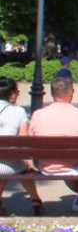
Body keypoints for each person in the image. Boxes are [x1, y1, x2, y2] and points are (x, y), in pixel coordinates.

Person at [29, 76, 78, 212]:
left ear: (52, 93)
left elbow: (31, 141)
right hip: (75, 165)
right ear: (71, 92)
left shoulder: (38, 115)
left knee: (76, 163)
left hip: (46, 165)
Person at [0, 77, 45, 215]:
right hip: (9, 165)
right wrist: (29, 162)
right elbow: (24, 142)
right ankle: (36, 199)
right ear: (12, 94)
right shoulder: (18, 111)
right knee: (19, 165)